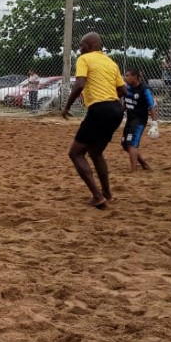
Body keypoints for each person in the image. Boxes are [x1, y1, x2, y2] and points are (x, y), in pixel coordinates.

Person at [61, 32, 126, 209]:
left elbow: (80, 83)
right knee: (96, 153)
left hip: (100, 109)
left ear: (90, 46)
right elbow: (122, 90)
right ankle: (107, 194)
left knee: (75, 153)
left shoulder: (85, 59)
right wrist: (107, 97)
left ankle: (98, 197)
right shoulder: (111, 62)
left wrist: (67, 106)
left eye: (81, 45)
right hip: (116, 110)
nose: (79, 48)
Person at [121, 69, 158, 172]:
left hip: (139, 120)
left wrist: (154, 124)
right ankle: (144, 164)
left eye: (128, 76)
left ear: (135, 77)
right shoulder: (127, 87)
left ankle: (133, 171)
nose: (125, 78)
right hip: (130, 119)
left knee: (131, 144)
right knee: (125, 145)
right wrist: (119, 112)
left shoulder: (144, 90)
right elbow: (125, 102)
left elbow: (152, 107)